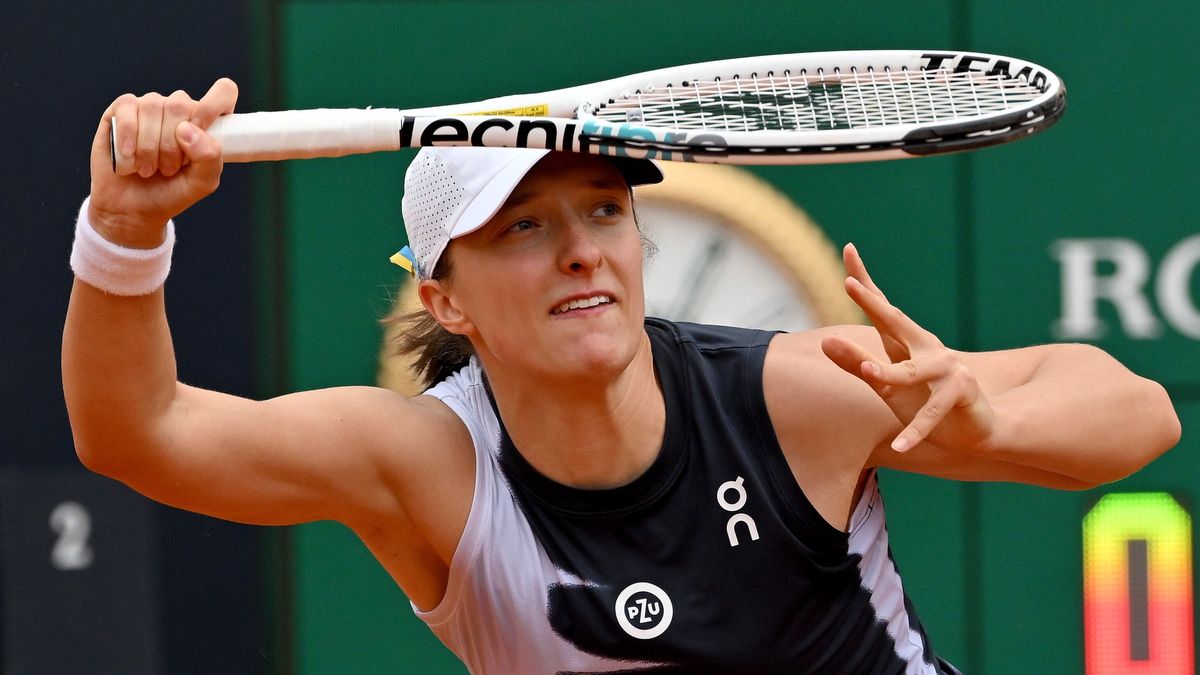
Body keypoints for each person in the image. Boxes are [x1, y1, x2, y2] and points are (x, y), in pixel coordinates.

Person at [63, 79, 1180, 675]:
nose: (583, 247)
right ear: (444, 299)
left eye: (604, 209)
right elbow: (139, 433)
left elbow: (1142, 414)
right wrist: (122, 232)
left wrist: (993, 418)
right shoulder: (427, 466)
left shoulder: (792, 396)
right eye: (524, 228)